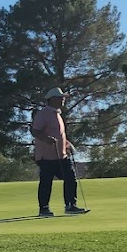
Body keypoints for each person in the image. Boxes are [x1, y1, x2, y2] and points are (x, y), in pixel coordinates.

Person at [31, 88, 87, 217]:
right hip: (46, 157)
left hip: (61, 155)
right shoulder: (43, 114)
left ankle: (70, 205)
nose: (63, 99)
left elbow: (60, 134)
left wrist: (68, 144)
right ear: (52, 99)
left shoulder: (57, 115)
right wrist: (46, 139)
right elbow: (35, 131)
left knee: (70, 178)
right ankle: (44, 209)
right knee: (46, 183)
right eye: (60, 97)